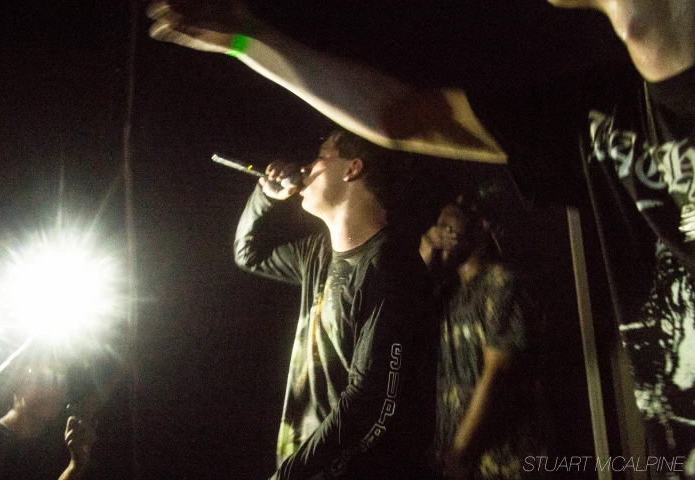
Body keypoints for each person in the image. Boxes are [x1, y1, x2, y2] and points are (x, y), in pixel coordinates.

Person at [147, 0, 695, 465]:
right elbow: (399, 118)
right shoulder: (596, 118)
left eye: (323, 155)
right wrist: (245, 38)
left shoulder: (396, 270)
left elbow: (376, 398)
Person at [233, 128, 435, 479]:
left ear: (352, 169)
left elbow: (368, 401)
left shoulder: (392, 268)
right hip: (303, 468)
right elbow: (248, 253)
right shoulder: (317, 252)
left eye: (321, 156)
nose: (307, 167)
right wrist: (264, 196)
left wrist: (290, 475)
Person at [420, 200, 547, 479]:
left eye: (451, 222)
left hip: (503, 462)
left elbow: (498, 371)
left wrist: (459, 452)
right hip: (457, 466)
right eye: (438, 225)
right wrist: (424, 255)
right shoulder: (446, 295)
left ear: (480, 228)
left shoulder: (500, 281)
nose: (443, 230)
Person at [0, 363, 97, 480]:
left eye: (61, 381)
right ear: (21, 382)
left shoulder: (62, 443)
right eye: (46, 380)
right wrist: (74, 468)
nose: (56, 389)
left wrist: (78, 464)